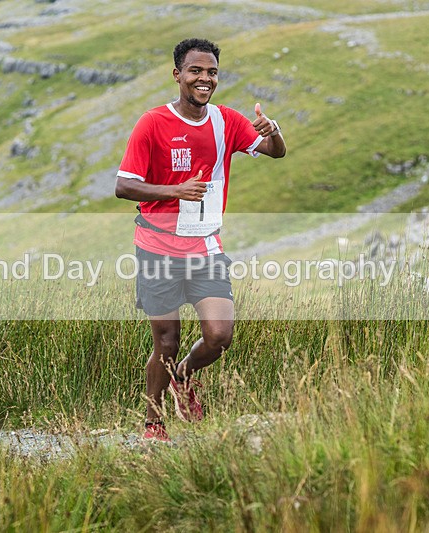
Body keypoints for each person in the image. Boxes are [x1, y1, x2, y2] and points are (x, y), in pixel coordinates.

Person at [115, 38, 287, 442]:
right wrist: (174, 191)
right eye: (195, 71)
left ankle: (184, 378)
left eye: (211, 72)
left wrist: (273, 131)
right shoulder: (152, 123)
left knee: (219, 336)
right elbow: (124, 186)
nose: (204, 79)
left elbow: (276, 152)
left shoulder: (226, 120)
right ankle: (153, 423)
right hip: (157, 247)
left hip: (205, 247)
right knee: (167, 340)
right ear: (178, 75)